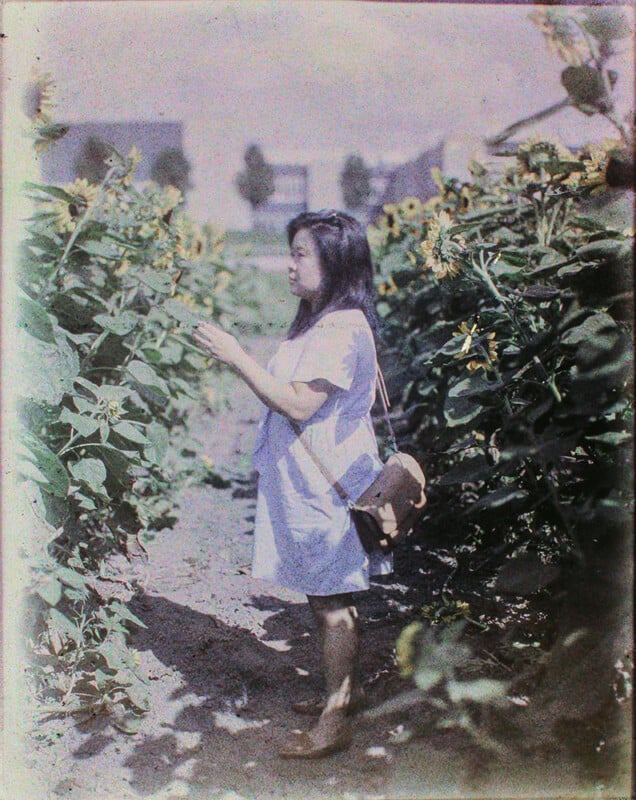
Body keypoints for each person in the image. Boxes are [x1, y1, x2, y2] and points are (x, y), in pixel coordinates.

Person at [193, 210, 392, 759]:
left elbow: (298, 402)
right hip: (310, 481)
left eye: (301, 254)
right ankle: (339, 693)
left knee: (332, 602)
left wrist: (236, 356)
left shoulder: (339, 328)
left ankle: (336, 720)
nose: (289, 264)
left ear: (335, 263)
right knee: (324, 591)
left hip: (326, 487)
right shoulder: (321, 319)